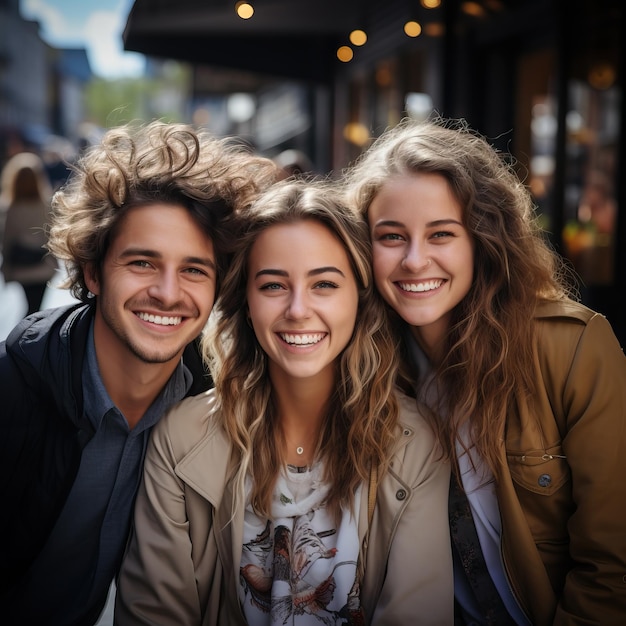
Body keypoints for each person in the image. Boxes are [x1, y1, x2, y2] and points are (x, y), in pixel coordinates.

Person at [115, 179, 453, 625]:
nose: (297, 309)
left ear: (360, 298)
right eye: (274, 286)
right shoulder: (180, 441)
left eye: (325, 285)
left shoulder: (415, 443)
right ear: (246, 302)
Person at [343, 117, 626, 626]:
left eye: (441, 234)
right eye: (391, 236)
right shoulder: (365, 365)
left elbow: (613, 563)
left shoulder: (573, 347)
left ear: (482, 238)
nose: (414, 259)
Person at [0, 120, 278, 625]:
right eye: (143, 263)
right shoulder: (11, 392)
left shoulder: (213, 405)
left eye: (194, 269)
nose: (168, 293)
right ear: (91, 271)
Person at [0, 151, 58, 315]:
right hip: (42, 267)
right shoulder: (46, 206)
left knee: (31, 308)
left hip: (22, 268)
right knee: (35, 308)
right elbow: (52, 238)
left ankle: (28, 336)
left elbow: (7, 240)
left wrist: (6, 268)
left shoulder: (11, 208)